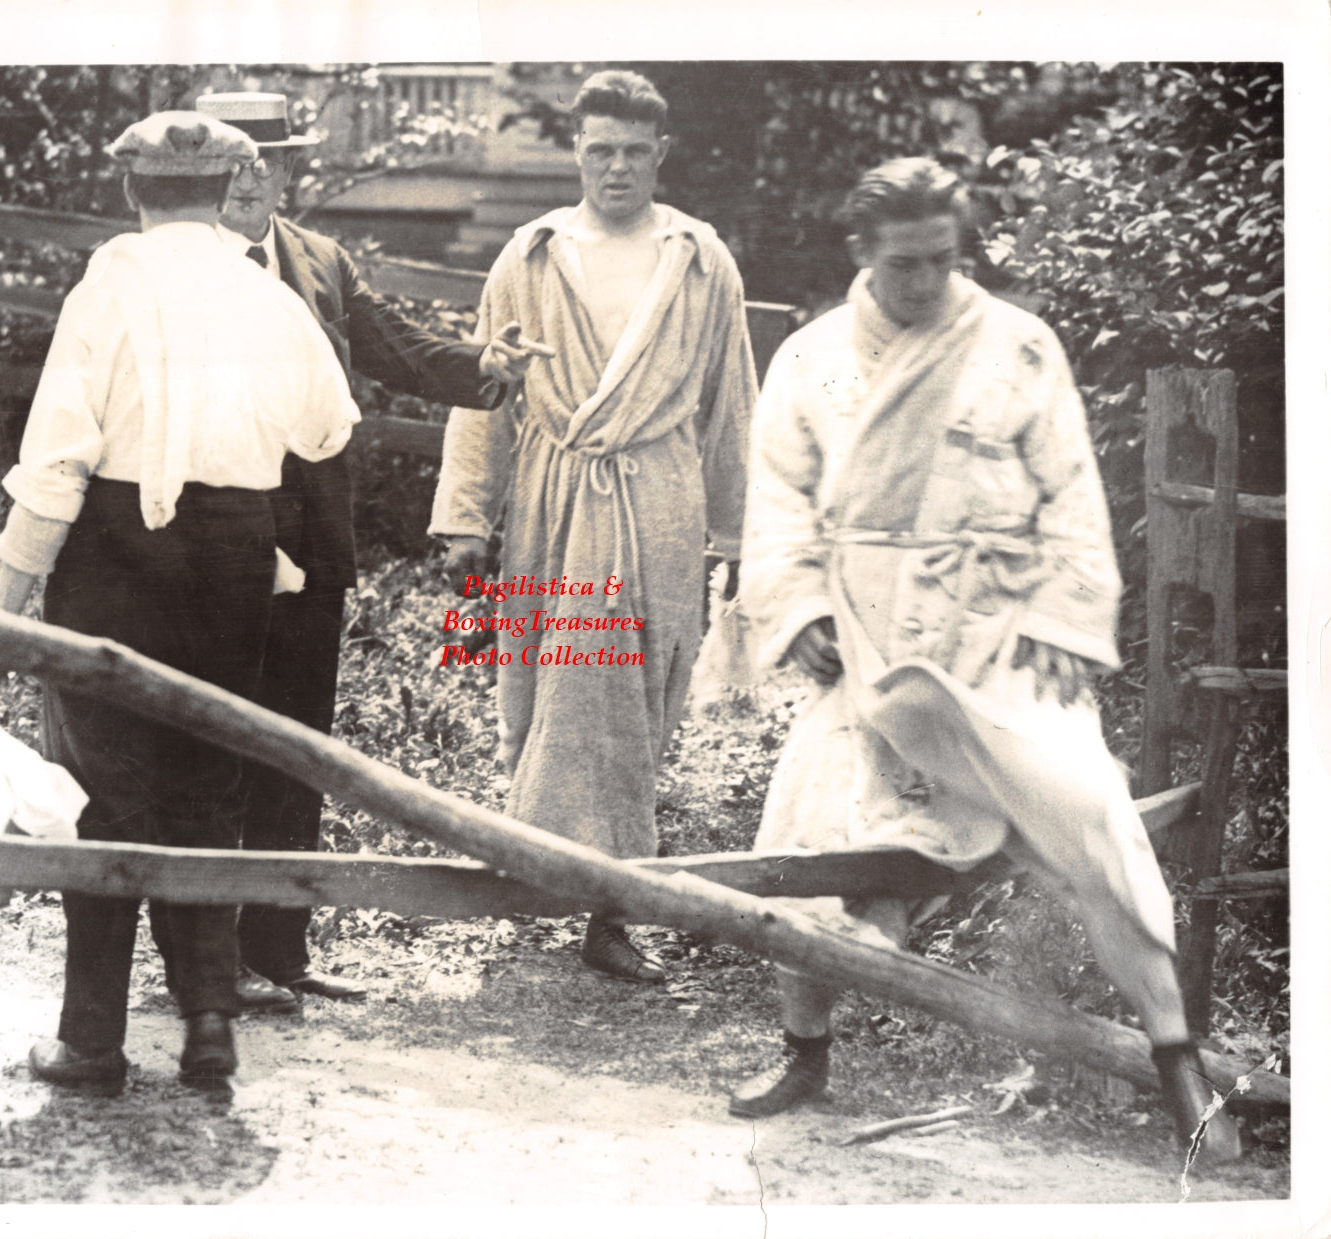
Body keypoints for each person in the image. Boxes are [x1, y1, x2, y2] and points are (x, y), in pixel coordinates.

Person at [731, 156, 1241, 1165]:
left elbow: (1073, 497)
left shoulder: (1018, 347)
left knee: (1092, 810)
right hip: (868, 643)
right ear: (863, 254)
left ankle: (1175, 1052)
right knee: (799, 833)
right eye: (905, 264)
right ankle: (804, 1047)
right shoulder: (812, 358)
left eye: (944, 261)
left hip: (998, 638)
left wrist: (1060, 618)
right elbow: (779, 503)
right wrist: (797, 612)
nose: (926, 283)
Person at [0, 111, 361, 1092]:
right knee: (206, 792)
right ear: (226, 185)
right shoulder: (267, 294)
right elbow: (327, 430)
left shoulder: (111, 286)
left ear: (130, 190)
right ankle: (209, 1030)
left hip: (116, 554)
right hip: (237, 559)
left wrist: (8, 604)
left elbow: (56, 461)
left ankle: (94, 1039)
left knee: (106, 796)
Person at [191, 91, 554, 1012]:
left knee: (299, 746)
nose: (248, 176)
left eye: (264, 158)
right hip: (207, 546)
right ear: (198, 172)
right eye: (231, 160)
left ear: (287, 169)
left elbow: (398, 344)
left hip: (310, 542)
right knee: (215, 747)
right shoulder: (174, 275)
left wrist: (486, 365)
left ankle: (277, 952)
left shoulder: (318, 259)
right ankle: (204, 959)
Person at [428, 70, 756, 982]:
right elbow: (484, 393)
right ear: (576, 151)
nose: (616, 168)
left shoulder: (698, 257)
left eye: (633, 151)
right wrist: (464, 518)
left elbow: (731, 404)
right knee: (544, 686)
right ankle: (539, 878)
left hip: (656, 495)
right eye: (599, 149)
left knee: (629, 695)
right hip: (552, 494)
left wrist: (734, 536)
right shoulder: (529, 256)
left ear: (661, 153)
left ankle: (613, 910)